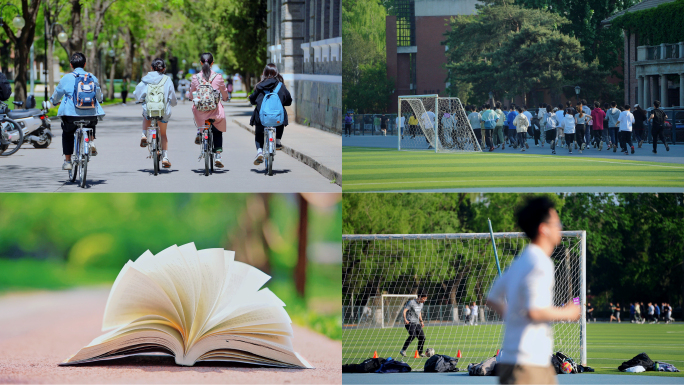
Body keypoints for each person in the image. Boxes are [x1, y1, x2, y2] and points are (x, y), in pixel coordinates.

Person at [487, 196, 580, 385]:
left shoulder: (520, 260)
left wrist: (514, 318)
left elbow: (491, 298)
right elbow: (535, 311)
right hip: (528, 365)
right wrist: (568, 312)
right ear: (543, 228)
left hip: (518, 361)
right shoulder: (540, 263)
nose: (560, 227)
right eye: (556, 223)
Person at [49, 52, 105, 171]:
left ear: (71, 65)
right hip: (90, 114)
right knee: (91, 121)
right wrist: (100, 100)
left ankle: (68, 161)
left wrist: (54, 101)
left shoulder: (66, 78)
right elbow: (99, 94)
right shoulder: (92, 77)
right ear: (84, 64)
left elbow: (57, 94)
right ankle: (90, 142)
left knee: (67, 134)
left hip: (70, 115)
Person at [134, 58, 178, 168]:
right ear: (163, 69)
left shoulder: (145, 79)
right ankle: (165, 157)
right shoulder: (167, 79)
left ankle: (144, 134)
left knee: (146, 114)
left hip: (149, 110)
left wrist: (139, 99)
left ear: (151, 68)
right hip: (163, 111)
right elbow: (172, 97)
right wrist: (173, 103)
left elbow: (137, 92)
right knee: (163, 134)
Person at [188, 52, 230, 168]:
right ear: (212, 63)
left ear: (201, 63)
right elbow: (224, 92)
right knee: (217, 127)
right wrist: (225, 98)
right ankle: (217, 155)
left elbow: (191, 93)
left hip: (200, 112)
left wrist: (191, 97)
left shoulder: (195, 77)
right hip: (214, 111)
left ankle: (200, 132)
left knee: (196, 112)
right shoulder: (218, 77)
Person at [249, 62, 293, 165]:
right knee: (280, 117)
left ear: (264, 73)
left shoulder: (259, 86)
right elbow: (289, 100)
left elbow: (253, 98)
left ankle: (259, 151)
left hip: (261, 118)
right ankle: (277, 141)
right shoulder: (280, 86)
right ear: (276, 73)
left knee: (259, 133)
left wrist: (253, 100)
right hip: (277, 119)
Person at [399, 293, 428, 358]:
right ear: (420, 296)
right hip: (409, 322)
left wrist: (421, 321)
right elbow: (404, 311)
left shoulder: (421, 304)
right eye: (423, 299)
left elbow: (419, 312)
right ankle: (403, 350)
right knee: (413, 335)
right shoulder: (411, 302)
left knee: (422, 338)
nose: (424, 301)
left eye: (425, 299)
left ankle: (420, 352)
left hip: (417, 323)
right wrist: (405, 319)